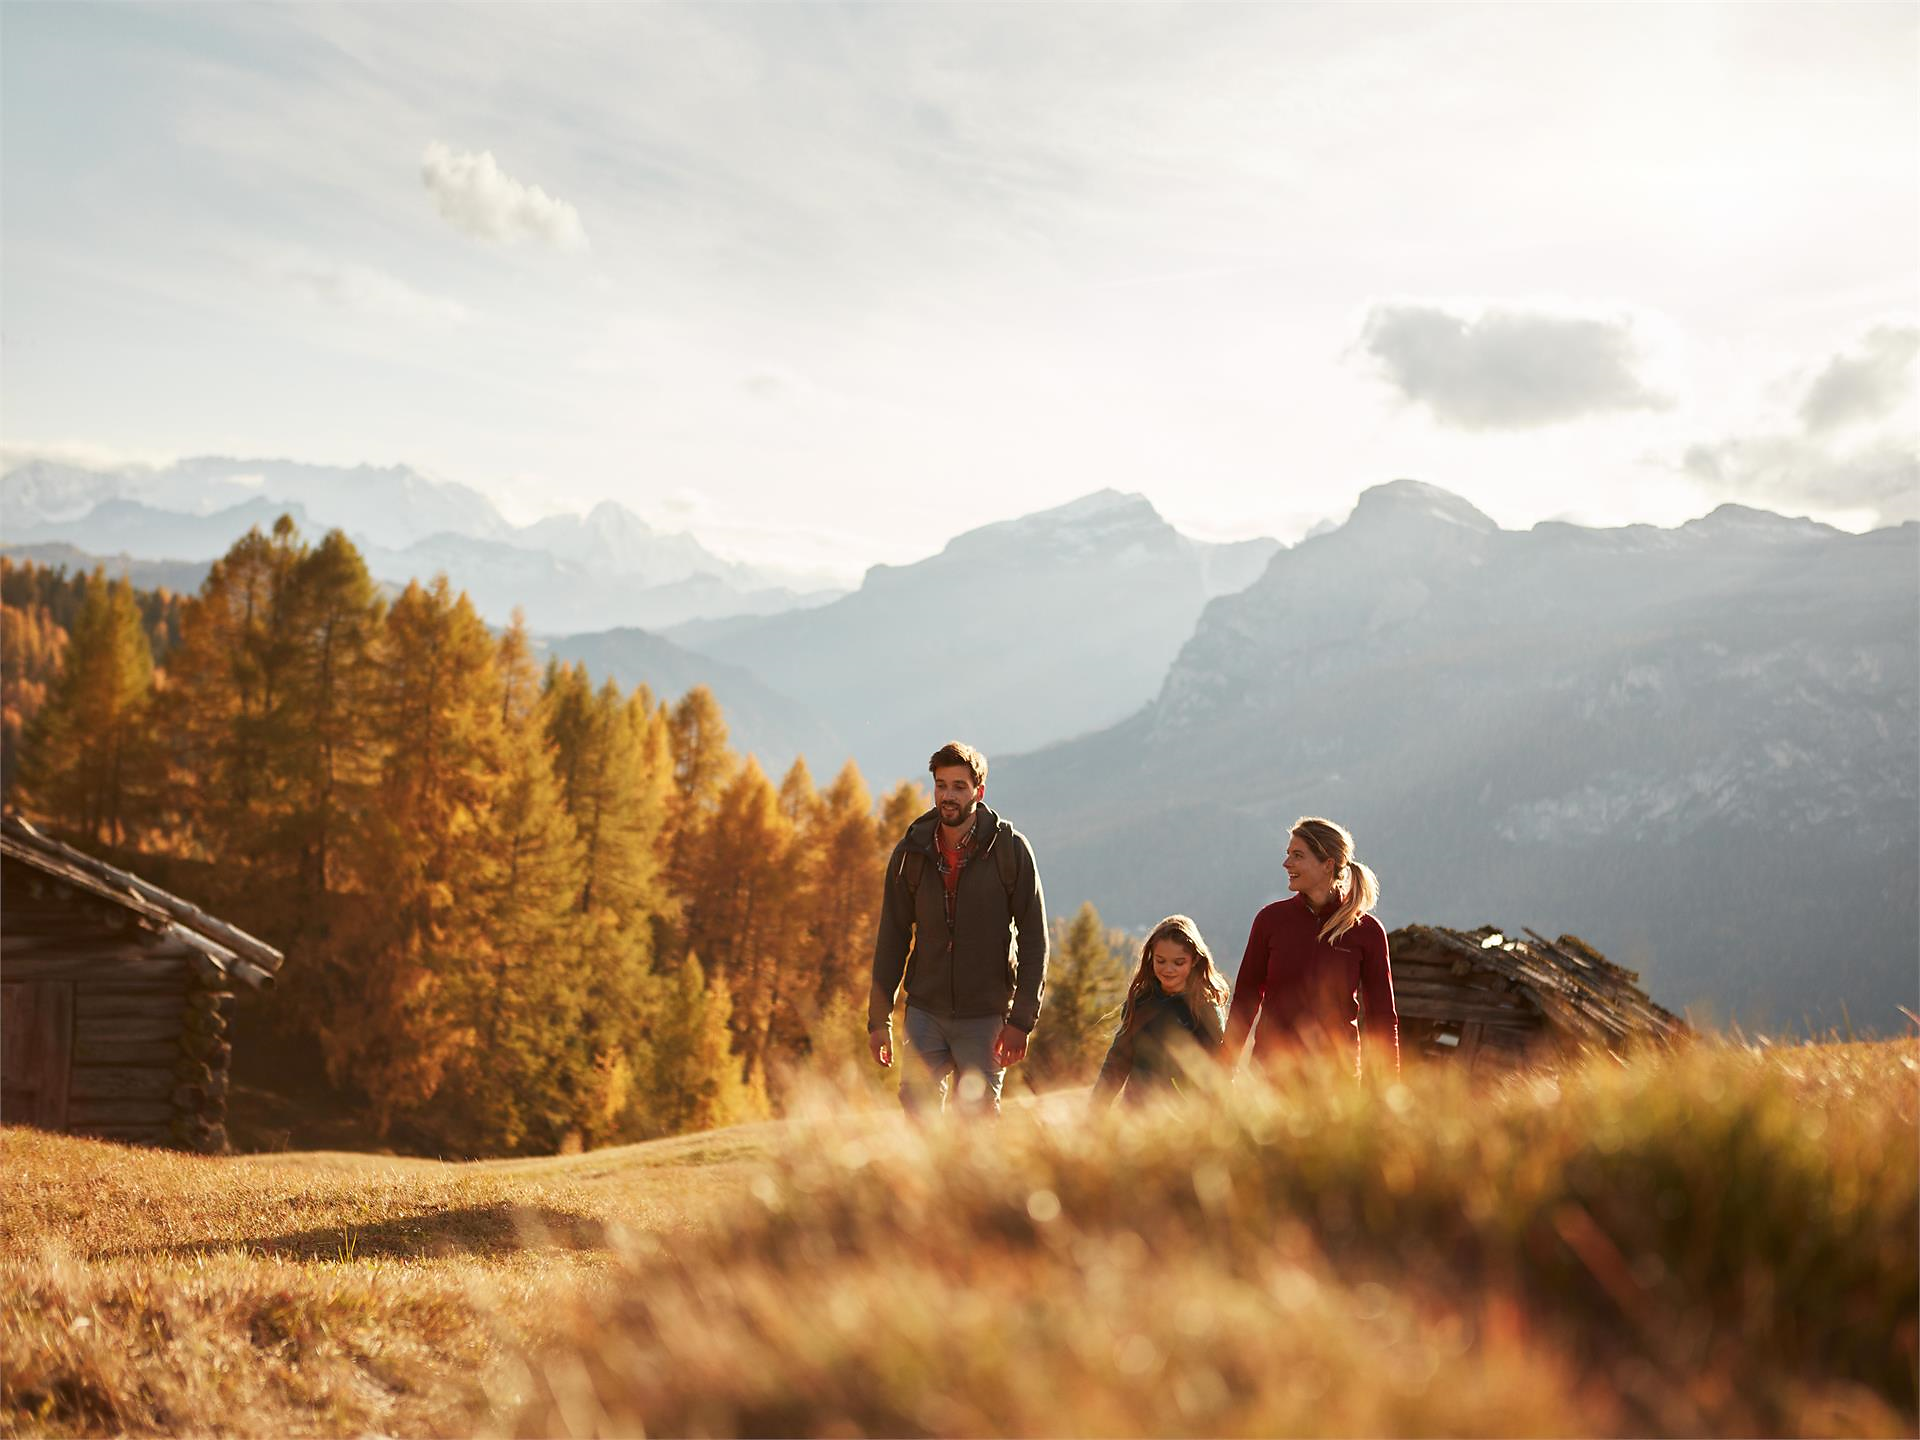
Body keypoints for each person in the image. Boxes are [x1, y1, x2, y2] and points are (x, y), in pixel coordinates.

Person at [868, 741, 1049, 1115]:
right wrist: (878, 1019)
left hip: (986, 1017)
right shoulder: (910, 853)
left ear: (978, 792)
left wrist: (1021, 1021)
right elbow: (892, 939)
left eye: (959, 786)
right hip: (924, 1014)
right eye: (941, 785)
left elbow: (1035, 941)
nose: (947, 796)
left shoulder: (1010, 851)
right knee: (918, 1122)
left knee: (976, 1130)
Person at [1225, 816, 1399, 1077]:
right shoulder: (1270, 920)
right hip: (1270, 1076)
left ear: (1327, 865)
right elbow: (1246, 998)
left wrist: (1388, 1088)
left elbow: (1382, 1017)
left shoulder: (1367, 931)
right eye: (1288, 854)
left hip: (1337, 1082)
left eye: (1297, 855)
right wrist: (1223, 1064)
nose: (1286, 863)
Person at [1090, 914, 1228, 1108]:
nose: (1168, 969)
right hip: (1135, 1112)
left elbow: (1218, 1067)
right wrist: (1096, 1107)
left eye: (1178, 962)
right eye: (1160, 961)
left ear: (1195, 960)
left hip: (1184, 1117)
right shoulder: (1140, 1001)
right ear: (1151, 957)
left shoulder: (1204, 1008)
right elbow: (1118, 1060)